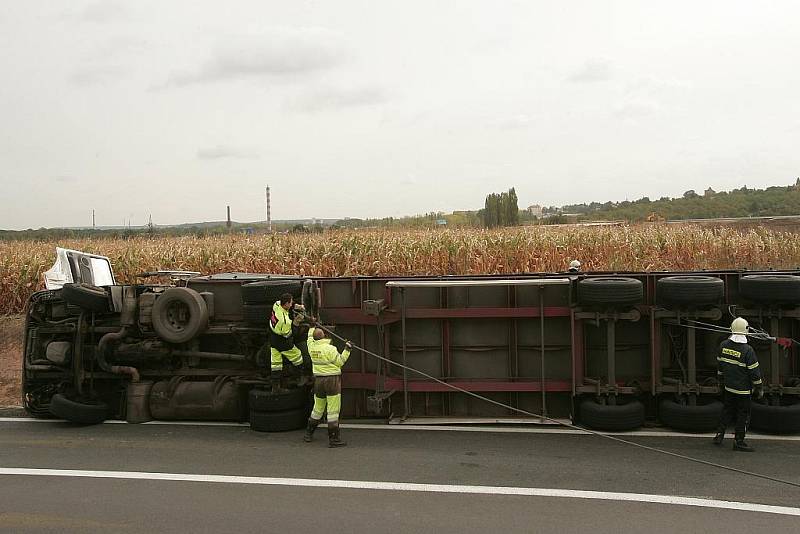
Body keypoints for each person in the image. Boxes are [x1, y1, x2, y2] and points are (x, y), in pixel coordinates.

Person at [713, 317, 763, 452]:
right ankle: (739, 441)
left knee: (727, 411)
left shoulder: (723, 345)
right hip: (744, 391)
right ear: (746, 330)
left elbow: (720, 367)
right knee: (743, 415)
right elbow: (755, 373)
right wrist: (759, 387)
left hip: (729, 387)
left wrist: (720, 382)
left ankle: (719, 435)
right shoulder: (748, 350)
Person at [303, 327, 351, 447]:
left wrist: (312, 326)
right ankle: (334, 439)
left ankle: (308, 433)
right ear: (324, 336)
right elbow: (340, 361)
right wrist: (347, 349)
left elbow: (309, 337)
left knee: (317, 408)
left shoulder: (311, 347)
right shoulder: (330, 349)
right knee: (333, 411)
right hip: (332, 381)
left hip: (318, 381)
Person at [269, 293, 305, 392]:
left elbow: (285, 304)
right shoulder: (284, 321)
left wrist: (297, 306)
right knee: (298, 357)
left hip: (273, 338)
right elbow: (290, 334)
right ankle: (300, 378)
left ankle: (275, 388)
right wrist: (296, 322)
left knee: (276, 364)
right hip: (283, 342)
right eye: (291, 303)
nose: (292, 303)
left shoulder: (277, 305)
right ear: (286, 304)